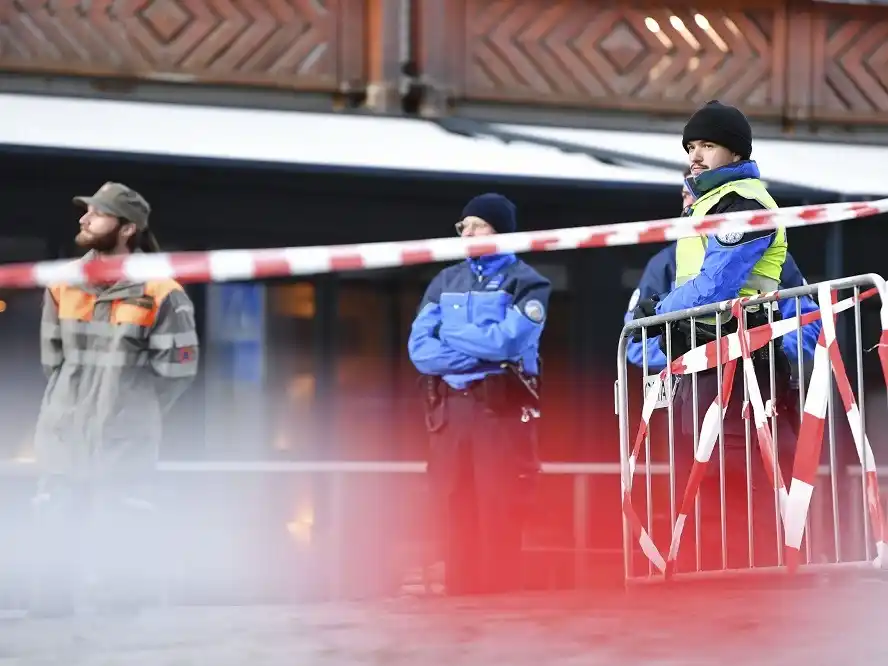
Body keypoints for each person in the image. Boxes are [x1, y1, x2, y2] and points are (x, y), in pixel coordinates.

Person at [629, 101, 794, 569]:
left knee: (736, 478)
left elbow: (716, 286)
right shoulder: (706, 204)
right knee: (702, 478)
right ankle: (714, 579)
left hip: (741, 362)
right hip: (704, 361)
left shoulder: (744, 204)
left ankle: (747, 583)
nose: (695, 156)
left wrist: (659, 311)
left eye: (707, 145)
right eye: (690, 147)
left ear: (736, 153)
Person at [31, 182, 199, 616]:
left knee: (120, 564)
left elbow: (178, 370)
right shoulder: (63, 283)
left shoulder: (162, 292)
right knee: (52, 555)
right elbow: (53, 361)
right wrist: (74, 405)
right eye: (85, 212)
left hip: (124, 443)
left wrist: (129, 410)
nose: (84, 220)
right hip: (63, 437)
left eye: (96, 214)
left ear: (127, 229)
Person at [407, 193, 550, 595]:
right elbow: (420, 350)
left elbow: (507, 344)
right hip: (450, 415)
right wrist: (478, 351)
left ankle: (500, 620)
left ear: (499, 231)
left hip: (499, 413)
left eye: (476, 226)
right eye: (462, 227)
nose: (466, 233)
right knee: (453, 511)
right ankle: (458, 617)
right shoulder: (444, 281)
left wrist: (451, 337)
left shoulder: (528, 283)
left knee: (500, 511)